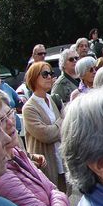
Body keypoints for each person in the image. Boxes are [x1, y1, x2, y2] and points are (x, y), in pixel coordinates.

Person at [0, 91, 70, 206]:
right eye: (0, 121)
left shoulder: (16, 153)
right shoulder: (0, 174)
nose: (10, 122)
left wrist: (55, 195)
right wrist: (58, 198)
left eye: (9, 113)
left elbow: (53, 188)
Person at [21, 60, 67, 191]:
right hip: (46, 165)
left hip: (61, 161)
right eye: (45, 74)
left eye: (51, 73)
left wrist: (60, 124)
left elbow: (67, 125)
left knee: (65, 197)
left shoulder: (54, 100)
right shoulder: (29, 108)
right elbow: (46, 134)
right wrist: (60, 122)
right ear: (34, 78)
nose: (49, 77)